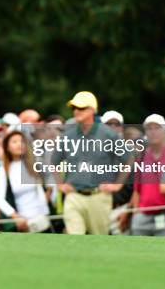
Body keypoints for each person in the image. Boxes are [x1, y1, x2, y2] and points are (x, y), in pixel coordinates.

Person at [52, 91, 127, 235]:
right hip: (74, 197)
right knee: (74, 240)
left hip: (99, 197)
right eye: (74, 108)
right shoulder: (67, 135)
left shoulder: (108, 134)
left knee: (99, 243)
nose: (76, 111)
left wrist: (117, 185)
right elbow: (54, 161)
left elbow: (128, 160)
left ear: (92, 110)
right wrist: (60, 184)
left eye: (81, 108)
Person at [0, 131, 49, 232]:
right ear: (7, 147)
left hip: (43, 220)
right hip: (22, 223)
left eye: (22, 141)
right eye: (14, 142)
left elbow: (48, 187)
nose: (19, 144)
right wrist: (15, 217)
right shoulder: (3, 171)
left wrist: (46, 204)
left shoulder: (36, 163)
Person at [129, 114, 165, 236]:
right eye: (149, 129)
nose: (153, 132)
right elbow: (136, 190)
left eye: (157, 128)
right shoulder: (142, 156)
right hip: (142, 215)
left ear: (164, 131)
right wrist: (136, 213)